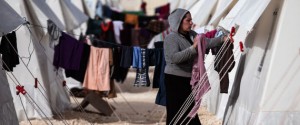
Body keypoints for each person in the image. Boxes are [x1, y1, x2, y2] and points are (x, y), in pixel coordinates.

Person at [164, 8, 227, 125]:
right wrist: (193, 48)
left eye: (191, 20)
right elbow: (175, 58)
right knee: (176, 112)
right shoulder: (171, 38)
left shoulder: (192, 34)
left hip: (188, 80)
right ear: (179, 21)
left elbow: (206, 42)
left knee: (190, 112)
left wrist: (222, 39)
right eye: (188, 20)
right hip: (174, 80)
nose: (191, 22)